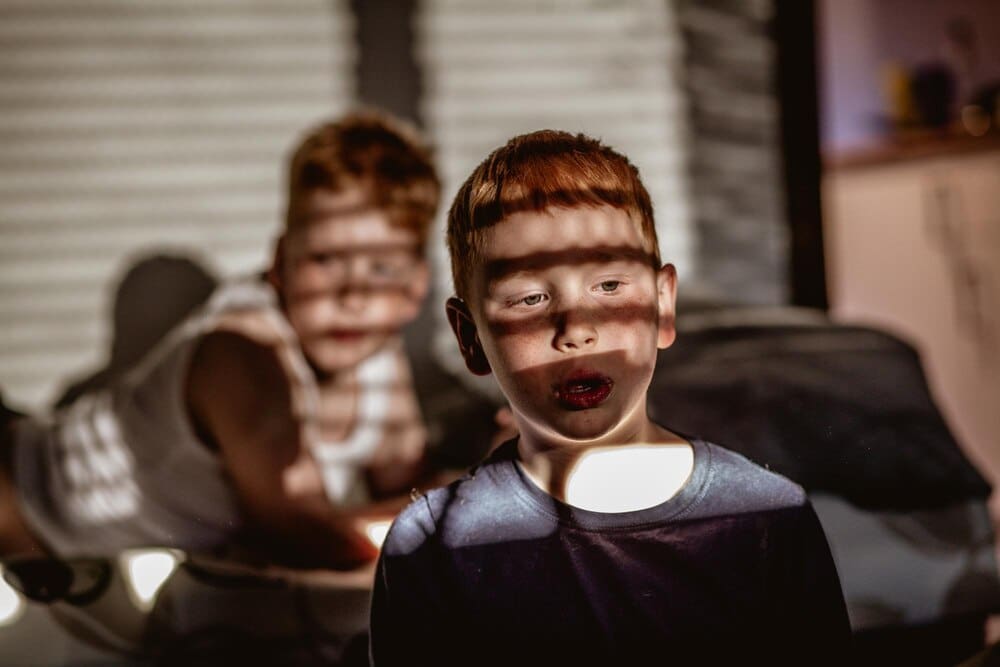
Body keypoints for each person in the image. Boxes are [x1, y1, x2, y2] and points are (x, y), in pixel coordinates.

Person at [369, 130, 852, 664]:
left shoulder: (767, 516)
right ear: (469, 336)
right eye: (529, 298)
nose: (577, 328)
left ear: (664, 307)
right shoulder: (433, 547)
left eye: (609, 286)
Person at [1, 110, 447, 571]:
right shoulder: (245, 354)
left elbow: (411, 487)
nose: (353, 296)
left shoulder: (376, 352)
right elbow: (306, 533)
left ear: (416, 287)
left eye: (381, 269)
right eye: (326, 259)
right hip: (21, 501)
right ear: (280, 262)